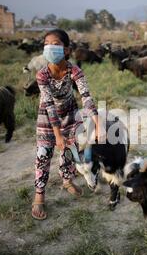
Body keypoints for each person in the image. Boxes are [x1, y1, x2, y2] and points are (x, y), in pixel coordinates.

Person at [31, 29, 101, 220]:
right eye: (47, 43)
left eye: (55, 43)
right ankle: (39, 197)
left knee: (69, 151)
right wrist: (57, 134)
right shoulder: (42, 75)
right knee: (43, 155)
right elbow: (49, 104)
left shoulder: (75, 71)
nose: (50, 47)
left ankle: (67, 181)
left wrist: (97, 122)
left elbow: (86, 97)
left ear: (67, 50)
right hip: (47, 118)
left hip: (71, 115)